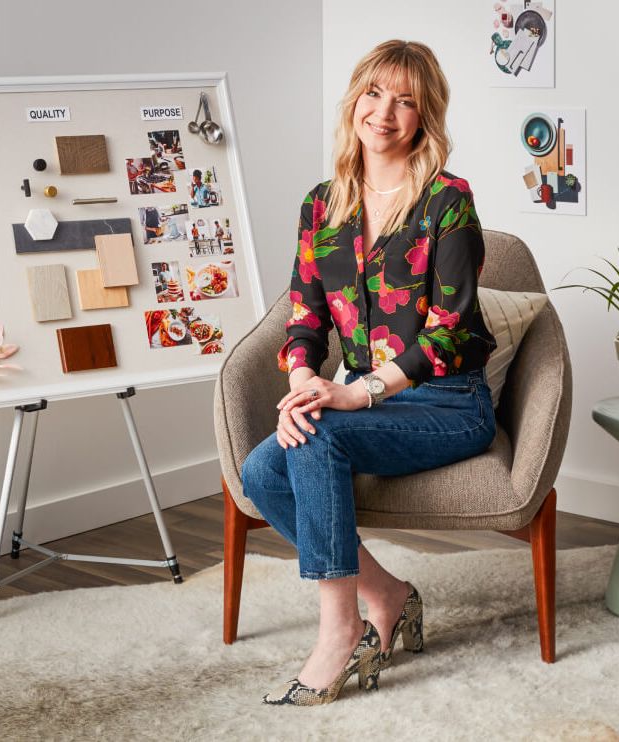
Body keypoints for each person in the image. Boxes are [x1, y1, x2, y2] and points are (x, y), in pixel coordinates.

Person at [240, 39, 497, 707]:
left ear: (424, 118)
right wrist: (303, 381)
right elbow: (303, 318)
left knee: (320, 437)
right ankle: (385, 592)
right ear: (354, 99)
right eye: (375, 93)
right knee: (262, 470)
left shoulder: (448, 201)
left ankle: (339, 629)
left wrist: (355, 393)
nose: (385, 111)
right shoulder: (321, 206)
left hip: (447, 403)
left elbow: (451, 332)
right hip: (361, 400)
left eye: (406, 100)